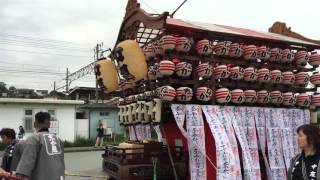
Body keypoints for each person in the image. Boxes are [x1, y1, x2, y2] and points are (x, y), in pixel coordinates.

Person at [15, 112, 65, 180]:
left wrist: (22, 176)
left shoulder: (34, 139)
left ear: (34, 124)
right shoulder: (58, 140)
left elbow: (27, 163)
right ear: (49, 124)